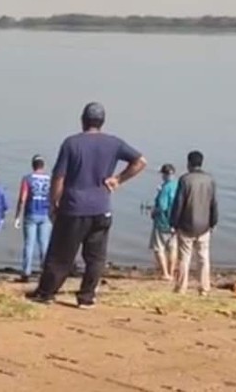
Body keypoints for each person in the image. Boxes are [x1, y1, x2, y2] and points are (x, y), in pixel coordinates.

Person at [27, 102, 147, 307]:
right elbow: (141, 161)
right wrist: (118, 179)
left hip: (74, 207)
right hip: (101, 208)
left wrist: (53, 202)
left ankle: (46, 293)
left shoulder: (72, 143)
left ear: (83, 120)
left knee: (60, 255)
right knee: (95, 257)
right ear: (102, 122)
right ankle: (87, 297)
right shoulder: (114, 143)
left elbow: (59, 177)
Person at [170, 151, 218, 295]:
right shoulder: (210, 180)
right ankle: (204, 288)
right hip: (204, 225)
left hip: (186, 225)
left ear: (188, 163)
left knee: (184, 258)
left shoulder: (185, 180)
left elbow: (179, 203)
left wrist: (173, 223)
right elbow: (213, 203)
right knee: (203, 258)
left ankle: (181, 288)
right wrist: (213, 222)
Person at [12, 155, 52, 283]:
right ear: (43, 165)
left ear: (33, 165)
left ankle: (26, 272)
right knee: (44, 244)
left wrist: (17, 216)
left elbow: (23, 198)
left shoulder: (27, 179)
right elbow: (55, 197)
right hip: (46, 214)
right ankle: (45, 271)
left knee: (29, 244)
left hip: (31, 213)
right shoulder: (50, 179)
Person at [150, 164, 179, 281]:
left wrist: (153, 211)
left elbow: (162, 206)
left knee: (159, 248)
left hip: (162, 222)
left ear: (164, 174)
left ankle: (165, 273)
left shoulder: (165, 188)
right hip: (175, 222)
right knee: (173, 247)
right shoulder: (178, 185)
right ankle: (172, 272)